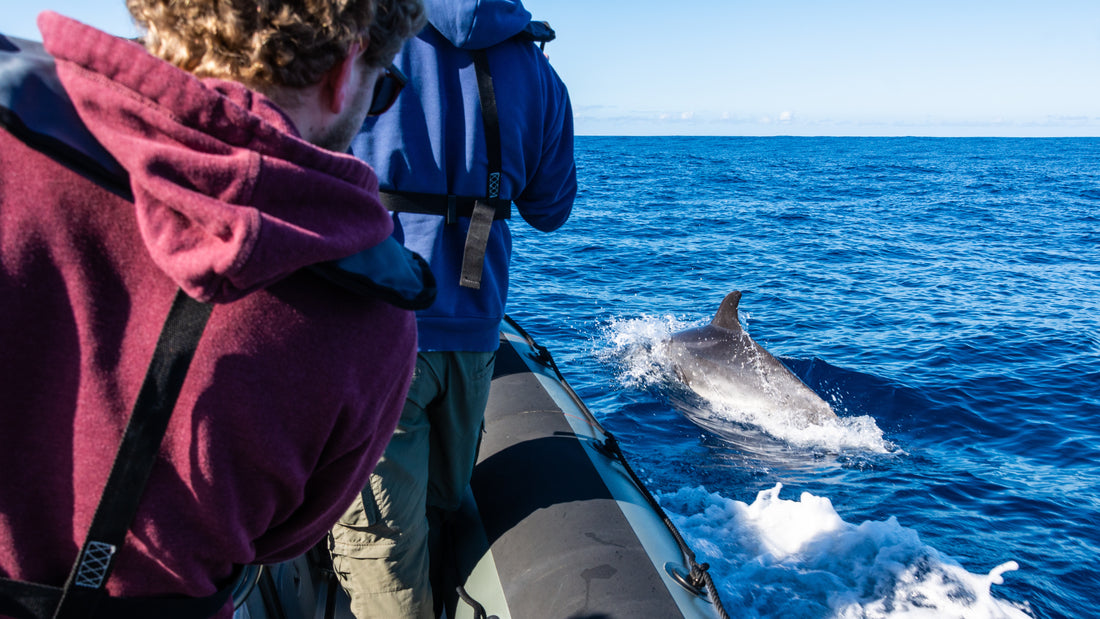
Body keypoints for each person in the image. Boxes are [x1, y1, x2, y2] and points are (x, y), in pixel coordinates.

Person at [0, 0, 426, 617]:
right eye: (379, 87)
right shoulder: (374, 323)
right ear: (346, 66)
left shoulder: (15, 144)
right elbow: (290, 538)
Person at [327, 0, 577, 616]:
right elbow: (552, 209)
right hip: (473, 330)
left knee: (379, 540)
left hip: (374, 326)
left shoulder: (356, 35)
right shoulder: (538, 71)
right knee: (443, 503)